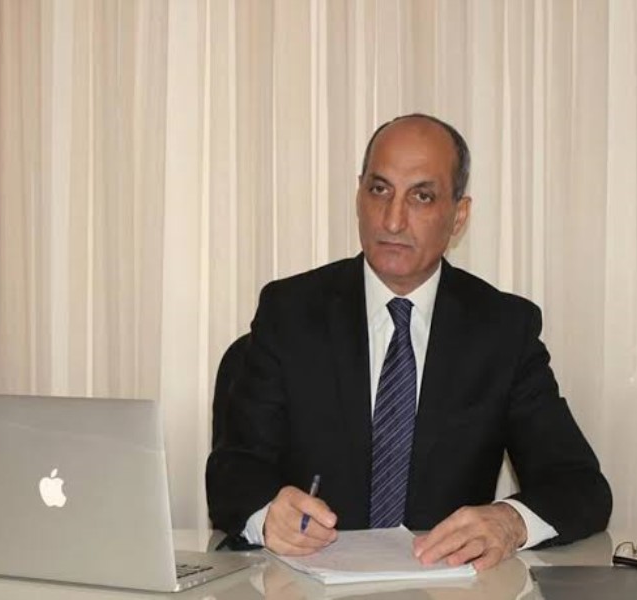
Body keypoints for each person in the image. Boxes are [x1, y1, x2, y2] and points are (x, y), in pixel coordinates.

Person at [206, 114, 611, 571]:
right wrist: (267, 514)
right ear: (359, 197)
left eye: (422, 196)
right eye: (379, 190)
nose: (393, 220)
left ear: (458, 216)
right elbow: (232, 470)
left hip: (445, 585)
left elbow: (579, 485)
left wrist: (509, 522)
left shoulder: (502, 329)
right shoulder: (290, 312)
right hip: (308, 584)